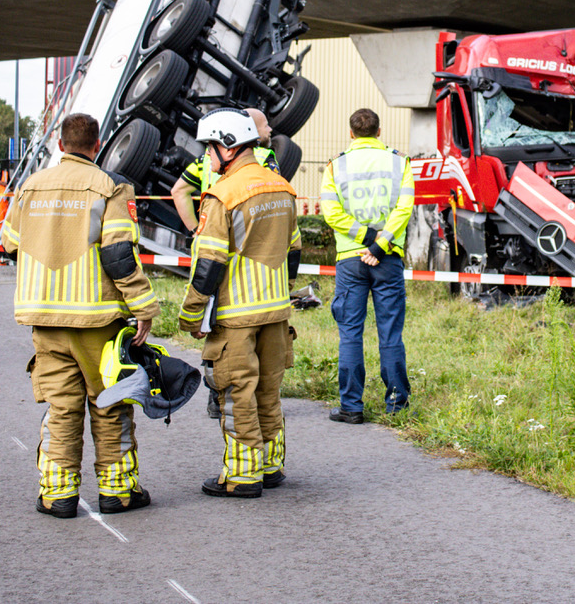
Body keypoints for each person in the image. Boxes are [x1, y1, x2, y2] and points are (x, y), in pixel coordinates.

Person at [0, 113, 159, 519]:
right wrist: (142, 306)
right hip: (97, 321)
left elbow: (10, 245)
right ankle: (118, 491)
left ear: (59, 143)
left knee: (61, 406)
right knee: (109, 403)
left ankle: (57, 495)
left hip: (46, 318)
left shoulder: (29, 188)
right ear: (97, 144)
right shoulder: (110, 188)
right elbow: (120, 254)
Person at [178, 107, 301, 498]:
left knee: (236, 393)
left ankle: (242, 476)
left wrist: (191, 313)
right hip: (276, 310)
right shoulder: (281, 187)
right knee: (268, 390)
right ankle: (270, 465)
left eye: (210, 148)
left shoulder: (222, 194)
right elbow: (293, 249)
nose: (207, 158)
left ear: (227, 146)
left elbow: (209, 263)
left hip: (236, 316)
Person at [321, 108, 414, 423]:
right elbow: (404, 209)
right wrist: (379, 243)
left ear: (351, 133)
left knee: (350, 333)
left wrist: (364, 238)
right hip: (386, 258)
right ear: (379, 131)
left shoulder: (336, 166)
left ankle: (351, 407)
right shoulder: (399, 162)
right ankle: (397, 405)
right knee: (390, 333)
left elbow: (331, 214)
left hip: (350, 260)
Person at [172, 108, 279, 232]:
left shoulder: (204, 160)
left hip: (211, 235)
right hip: (247, 236)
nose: (270, 130)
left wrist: (195, 231)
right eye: (266, 126)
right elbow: (275, 201)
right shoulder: (265, 157)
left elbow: (178, 191)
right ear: (251, 129)